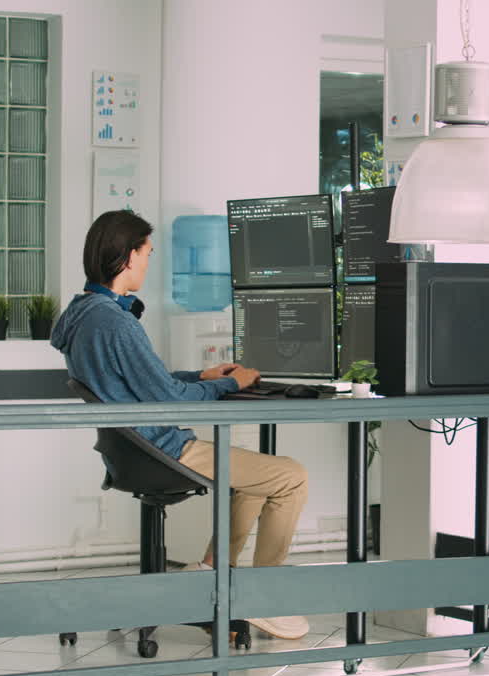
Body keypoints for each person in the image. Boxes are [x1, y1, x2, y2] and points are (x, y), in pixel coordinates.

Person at [51, 210, 310, 640]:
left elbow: (146, 382)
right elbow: (169, 398)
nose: (149, 264)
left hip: (133, 450)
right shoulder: (114, 323)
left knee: (253, 480)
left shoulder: (85, 314)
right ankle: (264, 598)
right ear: (128, 257)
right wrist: (231, 382)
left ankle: (209, 572)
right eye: (148, 254)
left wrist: (202, 377)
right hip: (163, 446)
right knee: (291, 477)